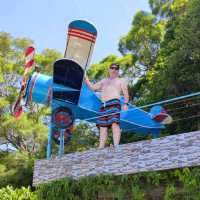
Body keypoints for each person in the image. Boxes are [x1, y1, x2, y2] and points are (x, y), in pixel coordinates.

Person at [84, 63, 129, 149]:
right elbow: (93, 88)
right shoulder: (103, 80)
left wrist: (126, 104)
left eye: (116, 68)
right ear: (109, 69)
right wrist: (86, 78)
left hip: (114, 103)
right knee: (102, 126)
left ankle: (116, 145)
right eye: (112, 68)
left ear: (118, 71)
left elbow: (126, 94)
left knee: (114, 123)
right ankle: (101, 147)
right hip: (103, 105)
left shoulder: (121, 80)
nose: (114, 69)